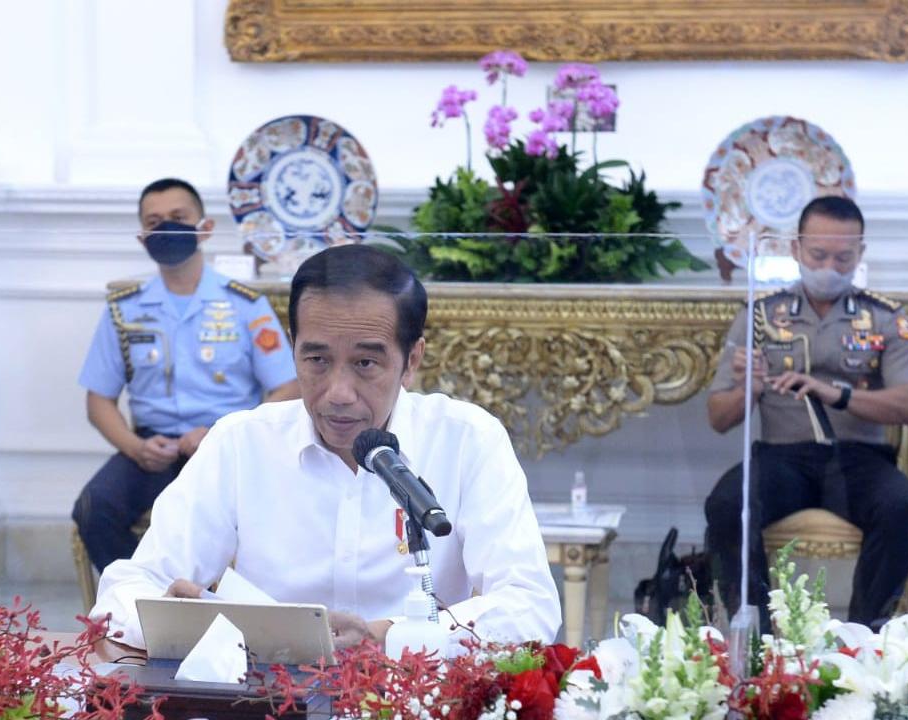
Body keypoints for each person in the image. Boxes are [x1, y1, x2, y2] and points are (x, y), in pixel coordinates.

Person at [92, 244, 560, 648]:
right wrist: (184, 623)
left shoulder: (467, 439)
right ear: (292, 347)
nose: (338, 391)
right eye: (316, 359)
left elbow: (530, 606)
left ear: (411, 360)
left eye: (365, 363)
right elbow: (123, 592)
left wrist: (388, 637)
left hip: (417, 697)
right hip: (271, 703)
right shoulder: (241, 443)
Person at [704, 196, 908, 628]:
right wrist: (748, 389)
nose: (830, 266)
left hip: (858, 459)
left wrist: (836, 394)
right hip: (783, 458)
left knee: (898, 506)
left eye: (843, 257)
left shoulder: (884, 318)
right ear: (795, 249)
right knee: (728, 504)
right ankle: (756, 635)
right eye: (818, 254)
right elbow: (718, 417)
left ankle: (864, 640)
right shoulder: (759, 315)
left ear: (860, 253)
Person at [73, 178, 298, 572]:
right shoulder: (124, 309)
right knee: (94, 509)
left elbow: (288, 385)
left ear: (205, 228)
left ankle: (208, 611)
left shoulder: (245, 304)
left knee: (248, 522)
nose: (167, 228)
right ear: (143, 237)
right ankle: (140, 606)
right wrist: (133, 447)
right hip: (151, 449)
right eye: (155, 222)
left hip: (226, 445)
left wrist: (222, 432)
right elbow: (98, 401)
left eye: (178, 218)